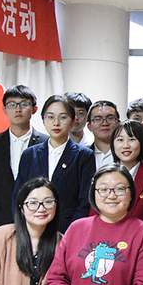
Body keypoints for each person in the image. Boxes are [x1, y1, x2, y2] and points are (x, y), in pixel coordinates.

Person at [0, 85, 46, 253]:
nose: (18, 109)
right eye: (12, 104)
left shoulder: (46, 143)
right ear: (4, 109)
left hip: (36, 220)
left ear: (34, 109)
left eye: (24, 104)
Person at [14, 95, 96, 234]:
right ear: (43, 120)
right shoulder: (30, 154)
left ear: (73, 120)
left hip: (67, 229)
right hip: (32, 229)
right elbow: (18, 195)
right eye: (50, 117)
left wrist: (71, 233)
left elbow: (85, 201)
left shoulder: (84, 155)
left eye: (63, 117)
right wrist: (22, 227)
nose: (56, 123)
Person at [87, 100, 120, 169]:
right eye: (98, 119)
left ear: (119, 123)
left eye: (110, 118)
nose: (105, 123)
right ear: (89, 126)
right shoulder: (81, 155)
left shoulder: (129, 153)